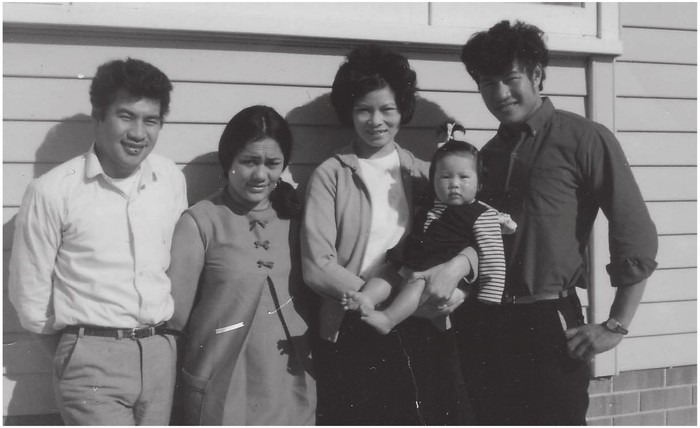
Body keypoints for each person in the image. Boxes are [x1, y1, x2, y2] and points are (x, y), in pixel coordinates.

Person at [454, 20, 659, 425]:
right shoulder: (486, 157)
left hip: (548, 322)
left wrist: (616, 325)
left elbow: (634, 233)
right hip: (485, 322)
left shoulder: (583, 138)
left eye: (511, 79)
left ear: (536, 74)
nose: (499, 94)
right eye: (486, 82)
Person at [301, 44, 475, 425]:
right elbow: (318, 265)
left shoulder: (424, 173)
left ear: (403, 110)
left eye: (387, 109)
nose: (376, 120)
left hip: (423, 322)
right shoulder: (331, 174)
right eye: (364, 109)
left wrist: (460, 280)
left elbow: (469, 233)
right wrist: (373, 301)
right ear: (349, 111)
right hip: (356, 323)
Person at [8, 58, 187, 425]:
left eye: (150, 120)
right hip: (91, 357)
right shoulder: (53, 191)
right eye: (126, 116)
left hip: (159, 355)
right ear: (99, 114)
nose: (139, 132)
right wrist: (83, 351)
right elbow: (31, 297)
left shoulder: (170, 179)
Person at [167, 105, 316, 425]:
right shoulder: (199, 222)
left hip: (288, 387)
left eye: (272, 163)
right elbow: (175, 321)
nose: (261, 175)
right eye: (249, 161)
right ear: (228, 160)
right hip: (221, 390)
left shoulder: (298, 218)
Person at [342, 135, 516, 335]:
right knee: (387, 272)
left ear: (479, 184)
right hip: (411, 260)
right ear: (433, 180)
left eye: (464, 177)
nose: (454, 184)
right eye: (445, 177)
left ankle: (388, 319)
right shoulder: (432, 204)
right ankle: (367, 299)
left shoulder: (482, 214)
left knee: (417, 284)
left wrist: (490, 294)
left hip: (435, 271)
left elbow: (493, 254)